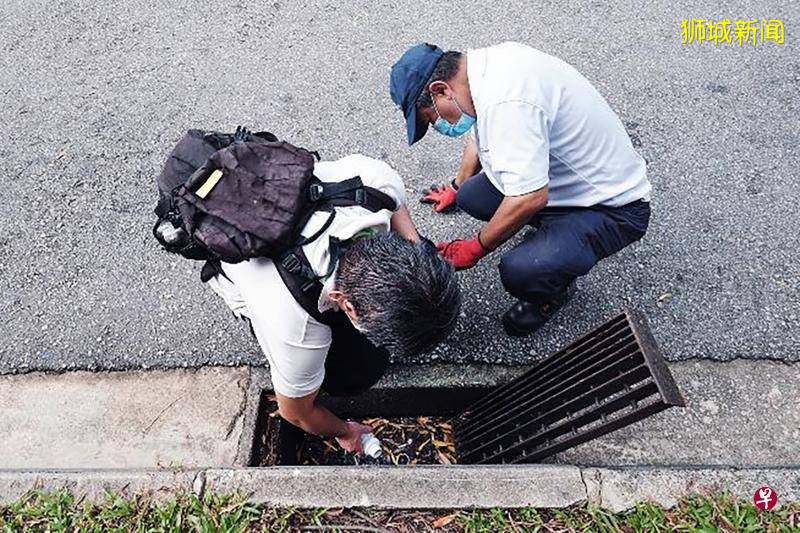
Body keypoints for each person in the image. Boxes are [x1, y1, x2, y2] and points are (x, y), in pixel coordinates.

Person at [390, 42, 652, 336]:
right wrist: (456, 187)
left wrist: (475, 247)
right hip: (565, 182)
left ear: (440, 91)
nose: (439, 126)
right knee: (471, 197)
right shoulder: (481, 73)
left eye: (432, 117)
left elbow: (530, 197)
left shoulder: (509, 104)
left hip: (612, 207)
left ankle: (553, 291)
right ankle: (554, 236)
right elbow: (478, 138)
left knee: (521, 270)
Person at [207, 154, 461, 454]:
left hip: (292, 214)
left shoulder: (377, 184)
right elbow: (296, 412)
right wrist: (345, 431)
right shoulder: (295, 325)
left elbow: (397, 204)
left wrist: (418, 249)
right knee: (347, 376)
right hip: (249, 272)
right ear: (347, 306)